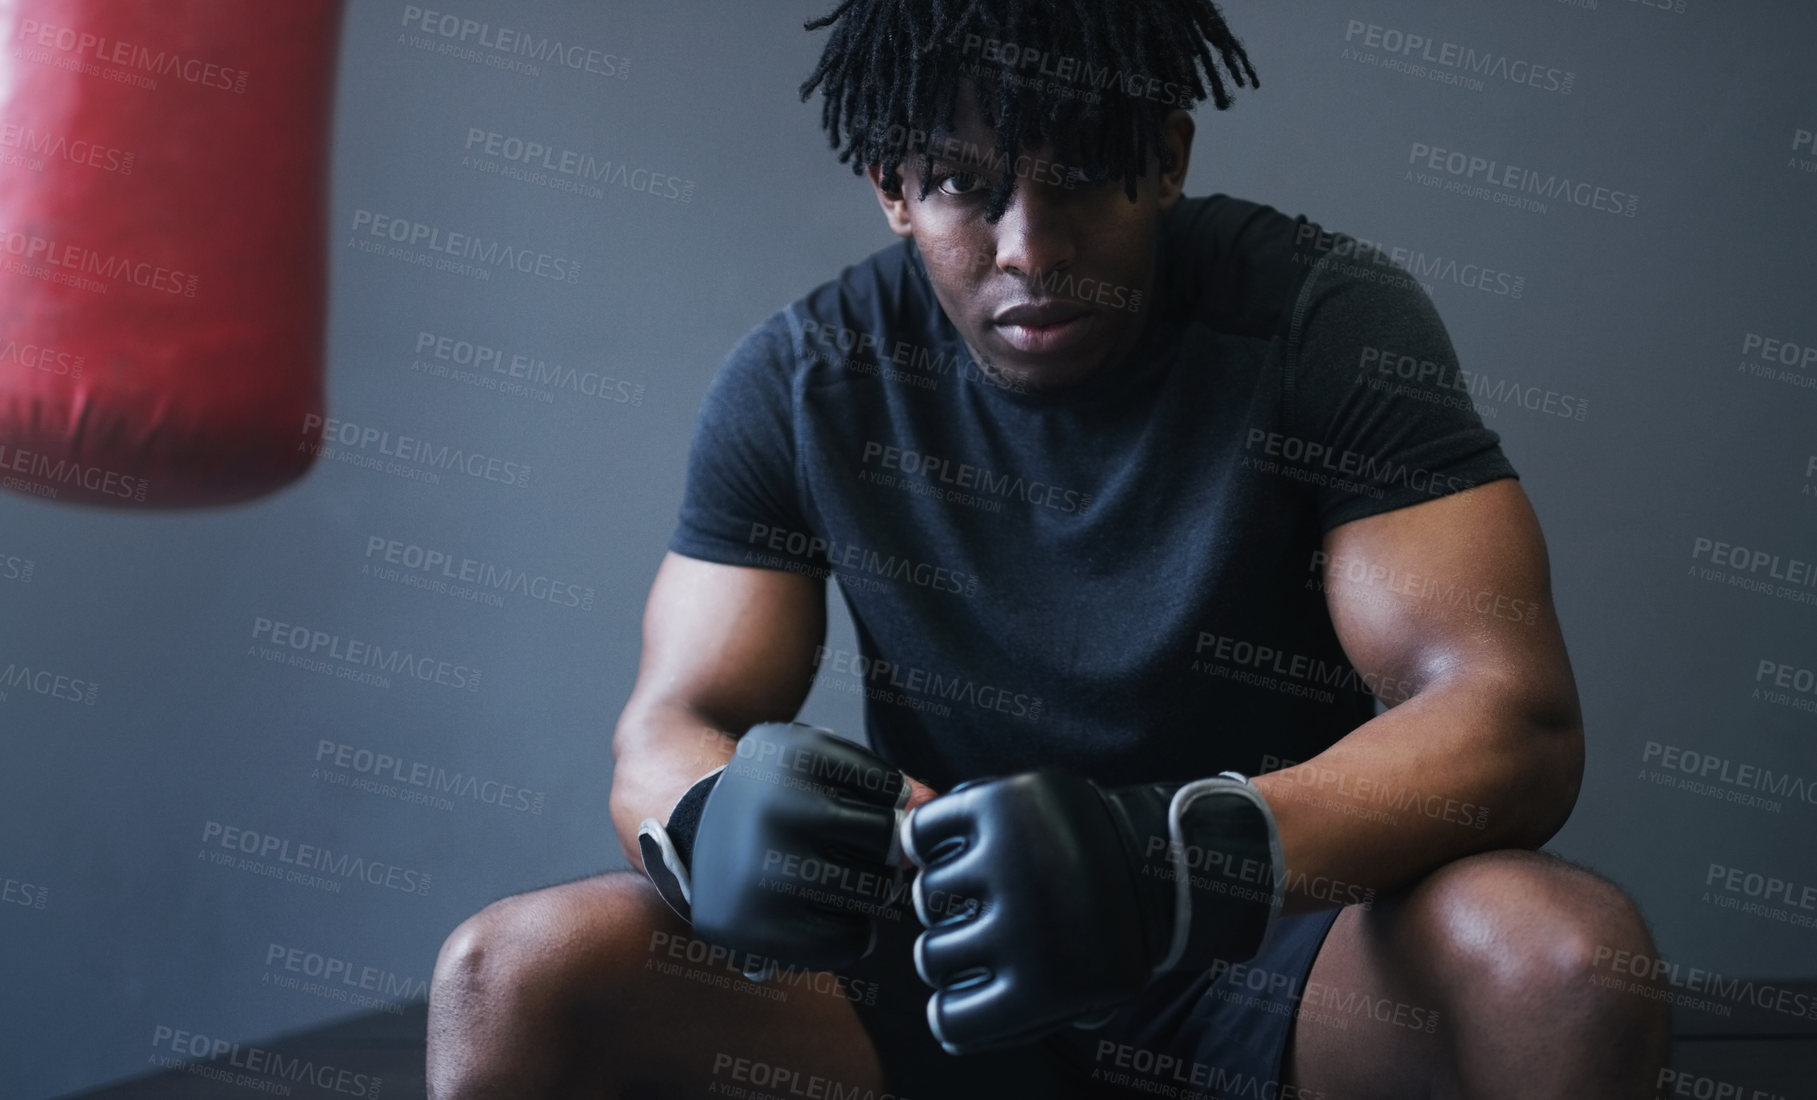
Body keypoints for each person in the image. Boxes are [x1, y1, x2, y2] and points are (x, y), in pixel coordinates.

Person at [426, 2, 1673, 1097]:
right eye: (967, 184)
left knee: (1560, 963)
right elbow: (668, 719)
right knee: (512, 971)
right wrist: (707, 816)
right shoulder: (805, 381)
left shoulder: (1315, 320)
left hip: (1269, 961)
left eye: (1080, 171)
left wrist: (1173, 863)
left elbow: (1509, 720)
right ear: (893, 188)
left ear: (1167, 156)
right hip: (940, 966)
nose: (1030, 245)